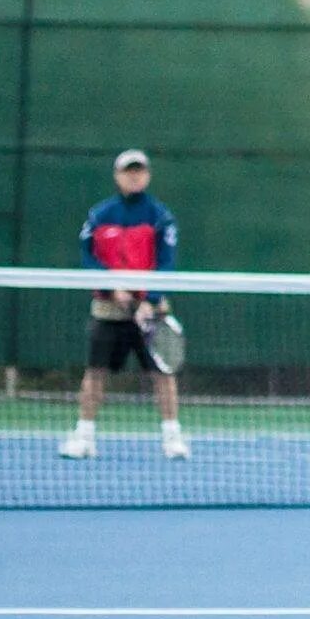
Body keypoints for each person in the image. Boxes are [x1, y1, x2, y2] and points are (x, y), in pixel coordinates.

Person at [58, 149, 186, 461]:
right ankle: (84, 436)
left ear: (147, 175)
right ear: (117, 175)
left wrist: (149, 300)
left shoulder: (161, 216)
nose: (134, 175)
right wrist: (112, 287)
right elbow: (88, 258)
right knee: (95, 372)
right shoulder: (100, 215)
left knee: (162, 374)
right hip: (108, 309)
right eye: (128, 170)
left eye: (139, 170)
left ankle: (172, 439)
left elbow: (166, 264)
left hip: (150, 311)